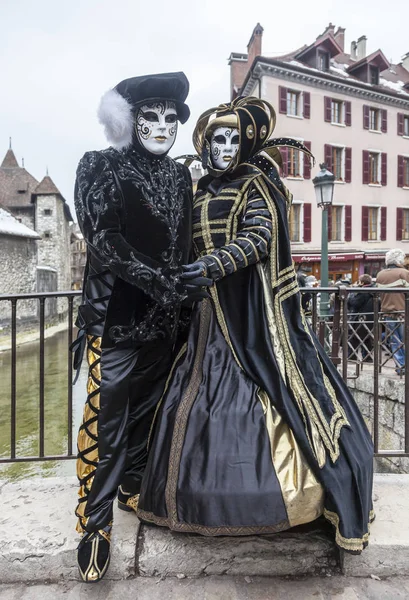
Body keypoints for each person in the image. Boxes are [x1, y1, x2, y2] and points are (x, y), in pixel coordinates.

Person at [136, 96, 374, 554]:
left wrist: (214, 264)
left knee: (266, 393)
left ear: (243, 144)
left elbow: (258, 237)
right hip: (205, 317)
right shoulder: (198, 191)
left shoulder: (256, 187)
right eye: (216, 140)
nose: (223, 147)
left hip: (251, 319)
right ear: (204, 146)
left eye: (231, 139)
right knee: (191, 399)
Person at [72, 72, 211, 583]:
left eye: (170, 117)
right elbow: (102, 238)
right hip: (118, 319)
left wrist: (196, 285)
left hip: (166, 323)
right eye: (150, 116)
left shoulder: (179, 177)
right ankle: (95, 522)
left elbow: (186, 242)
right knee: (108, 417)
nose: (162, 126)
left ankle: (132, 488)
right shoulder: (99, 165)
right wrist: (160, 281)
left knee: (148, 414)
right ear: (128, 121)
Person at [376, 249, 409, 375]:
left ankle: (400, 366)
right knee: (405, 339)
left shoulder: (380, 275)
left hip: (387, 313)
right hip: (403, 311)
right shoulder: (404, 273)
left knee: (395, 341)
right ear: (399, 260)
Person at [347, 274, 375, 363]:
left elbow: (354, 303)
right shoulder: (374, 291)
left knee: (353, 337)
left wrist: (351, 293)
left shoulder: (362, 292)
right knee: (367, 338)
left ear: (362, 282)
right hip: (370, 318)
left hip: (358, 318)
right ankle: (367, 357)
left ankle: (352, 357)